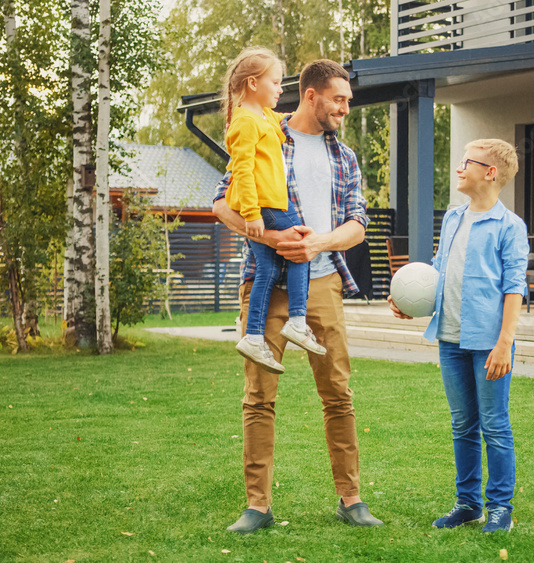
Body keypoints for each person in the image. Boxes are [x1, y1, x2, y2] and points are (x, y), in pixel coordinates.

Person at [212, 59, 383, 533]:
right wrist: (270, 238)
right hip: (265, 282)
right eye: (339, 99)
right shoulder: (263, 129)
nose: (345, 109)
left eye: (347, 101)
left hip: (323, 283)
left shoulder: (345, 158)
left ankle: (351, 499)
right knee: (258, 397)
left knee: (338, 394)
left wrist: (316, 243)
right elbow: (222, 200)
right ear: (311, 95)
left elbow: (357, 225)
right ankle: (257, 507)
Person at [389, 139, 529, 533]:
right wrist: (412, 302)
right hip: (450, 339)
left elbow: (514, 288)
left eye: (467, 162)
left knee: (495, 425)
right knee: (463, 424)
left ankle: (500, 507)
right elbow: (439, 273)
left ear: (491, 172)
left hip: (489, 344)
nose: (458, 168)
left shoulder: (509, 227)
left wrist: (505, 343)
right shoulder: (452, 218)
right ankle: (467, 504)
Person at [221, 47, 325, 373]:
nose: (281, 89)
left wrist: (304, 111)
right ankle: (297, 319)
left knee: (265, 269)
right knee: (301, 247)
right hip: (267, 205)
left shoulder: (263, 116)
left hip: (266, 204)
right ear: (253, 83)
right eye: (276, 82)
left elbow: (283, 121)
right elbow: (242, 169)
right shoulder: (244, 123)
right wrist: (251, 214)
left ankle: (253, 337)